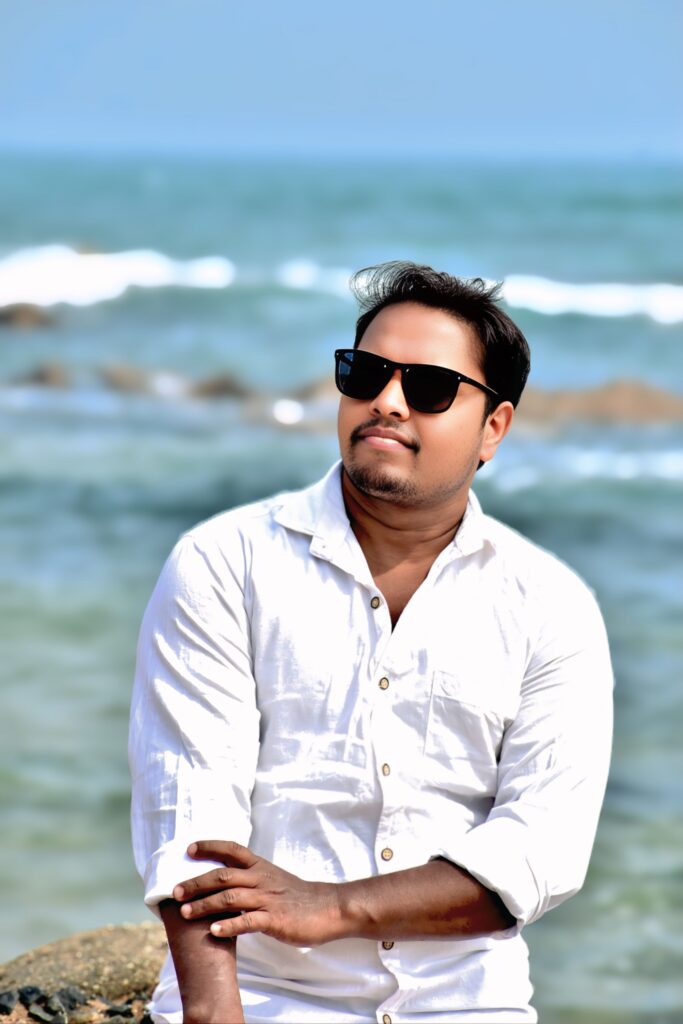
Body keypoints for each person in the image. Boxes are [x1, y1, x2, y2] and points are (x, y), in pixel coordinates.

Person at [129, 261, 613, 1024]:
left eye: (429, 388)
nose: (386, 401)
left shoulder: (549, 606)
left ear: (493, 428)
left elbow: (540, 848)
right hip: (269, 996)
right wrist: (215, 1011)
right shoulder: (225, 563)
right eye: (364, 374)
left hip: (466, 1007)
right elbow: (190, 809)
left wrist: (332, 906)